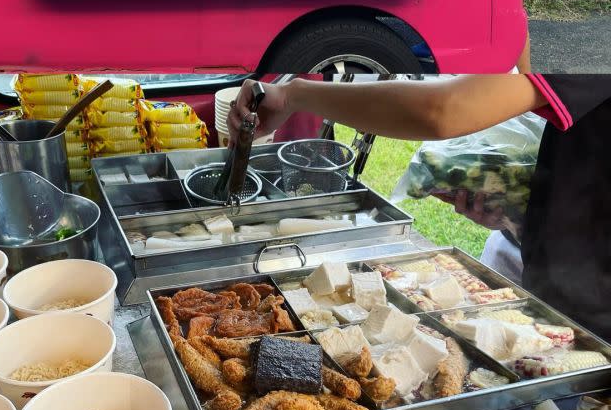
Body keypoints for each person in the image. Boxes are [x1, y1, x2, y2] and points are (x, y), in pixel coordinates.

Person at [228, 75, 611, 339]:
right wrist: (520, 217)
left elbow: (443, 110)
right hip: (562, 295)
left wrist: (293, 95)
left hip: (593, 321)